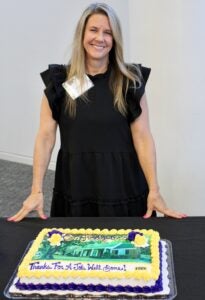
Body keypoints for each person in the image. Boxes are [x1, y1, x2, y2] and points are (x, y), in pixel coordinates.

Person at [8, 3, 186, 222]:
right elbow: (45, 138)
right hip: (76, 188)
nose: (100, 38)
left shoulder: (129, 82)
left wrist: (154, 190)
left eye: (108, 32)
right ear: (82, 33)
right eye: (93, 30)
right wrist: (36, 191)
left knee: (127, 252)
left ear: (115, 40)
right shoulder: (61, 83)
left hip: (123, 188)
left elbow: (143, 137)